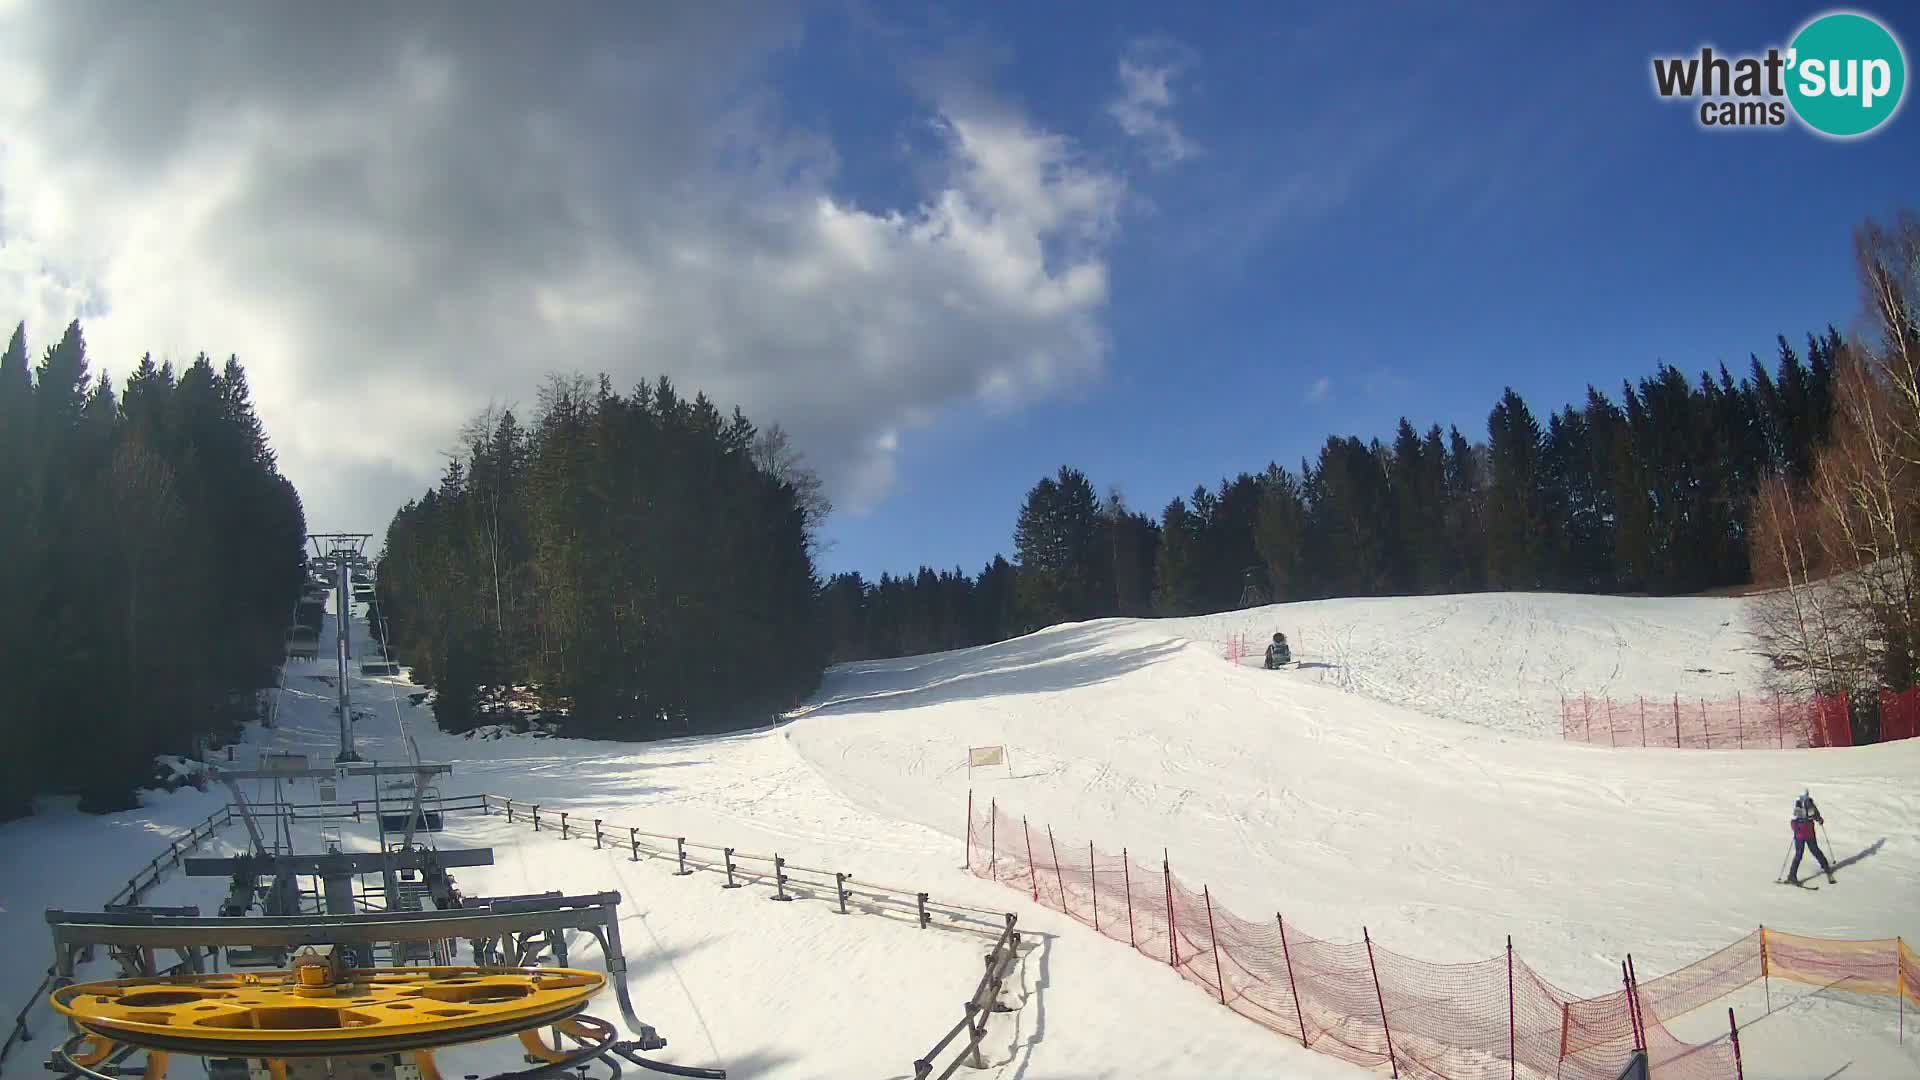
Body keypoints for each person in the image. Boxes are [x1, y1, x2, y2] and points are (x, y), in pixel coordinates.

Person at [1788, 789, 1835, 885]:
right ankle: (1792, 875)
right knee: (1801, 854)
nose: (1805, 798)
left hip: (1807, 833)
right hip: (1802, 834)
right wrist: (1795, 828)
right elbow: (1793, 821)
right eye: (1804, 796)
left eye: (1806, 796)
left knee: (1813, 850)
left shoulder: (1809, 804)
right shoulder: (1799, 805)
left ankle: (1825, 866)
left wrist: (1819, 819)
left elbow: (1814, 814)